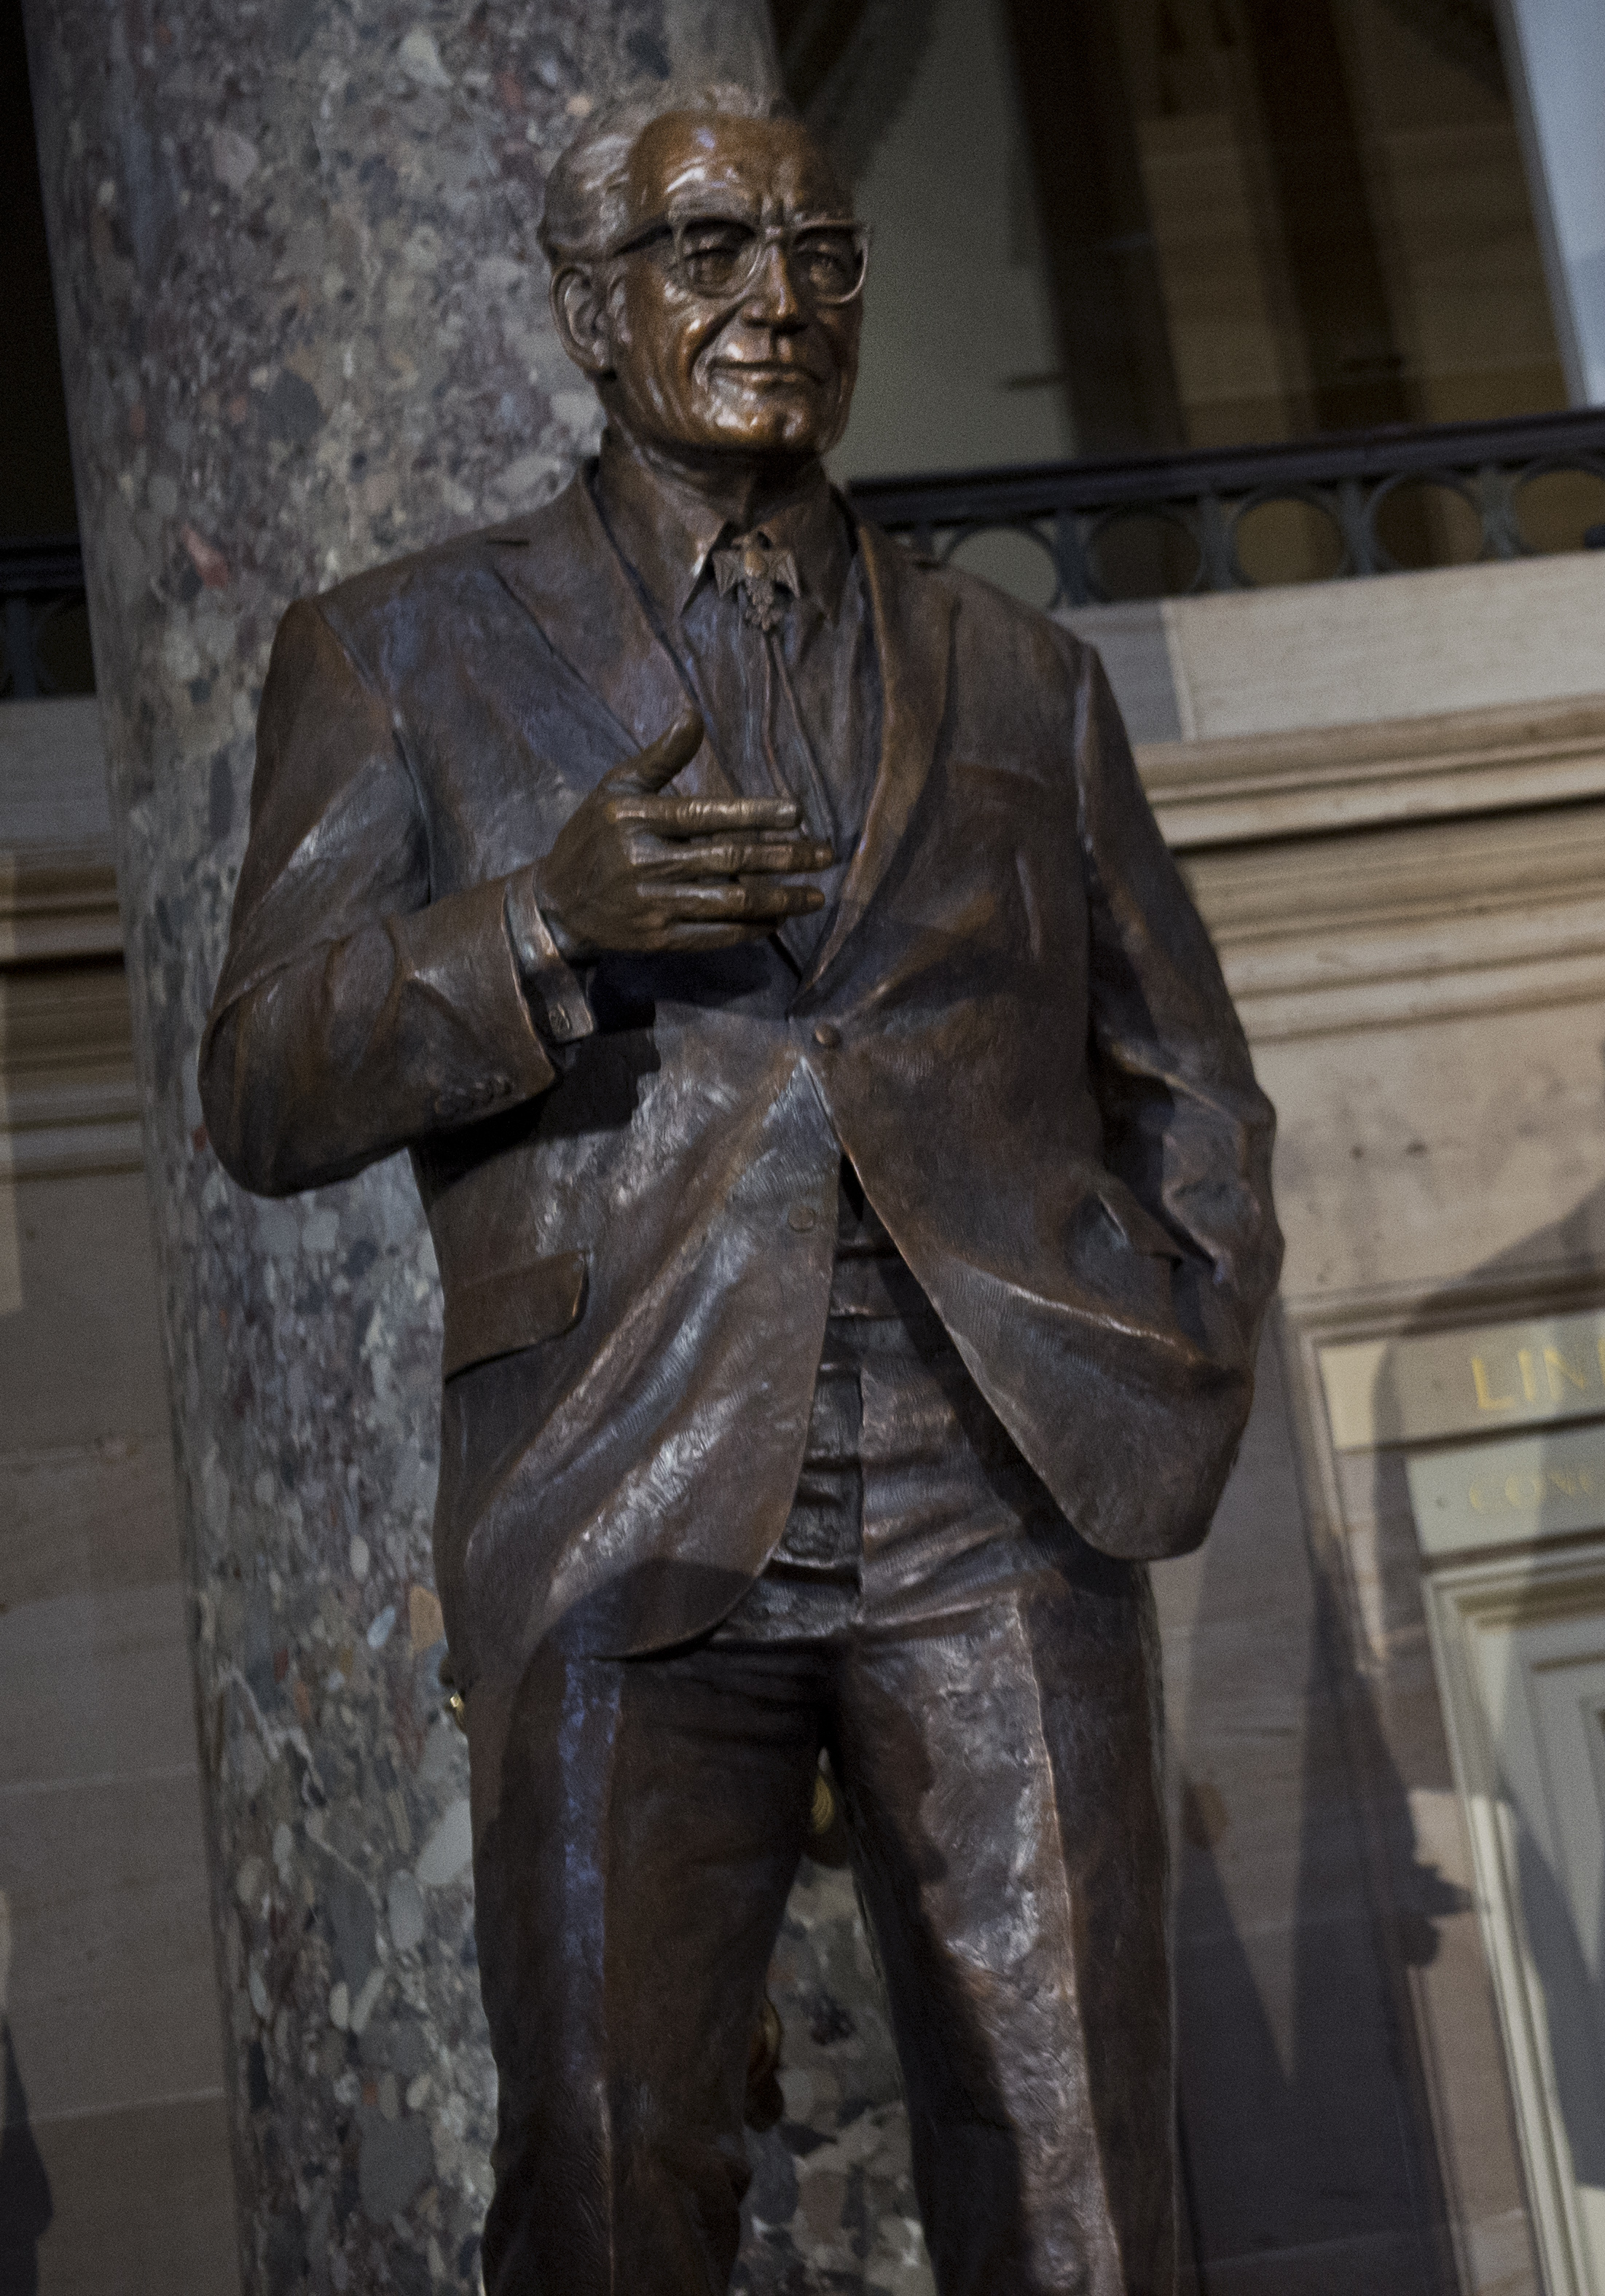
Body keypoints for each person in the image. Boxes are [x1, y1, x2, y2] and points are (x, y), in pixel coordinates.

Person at [199, 85, 1276, 2293]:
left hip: (998, 1494)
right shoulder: (397, 651)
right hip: (619, 1489)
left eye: (819, 253)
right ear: (588, 314)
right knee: (610, 2171)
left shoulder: (1015, 673)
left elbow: (1187, 1082)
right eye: (706, 252)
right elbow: (263, 1084)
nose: (776, 298)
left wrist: (1152, 1356)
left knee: (1078, 2174)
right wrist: (535, 924)